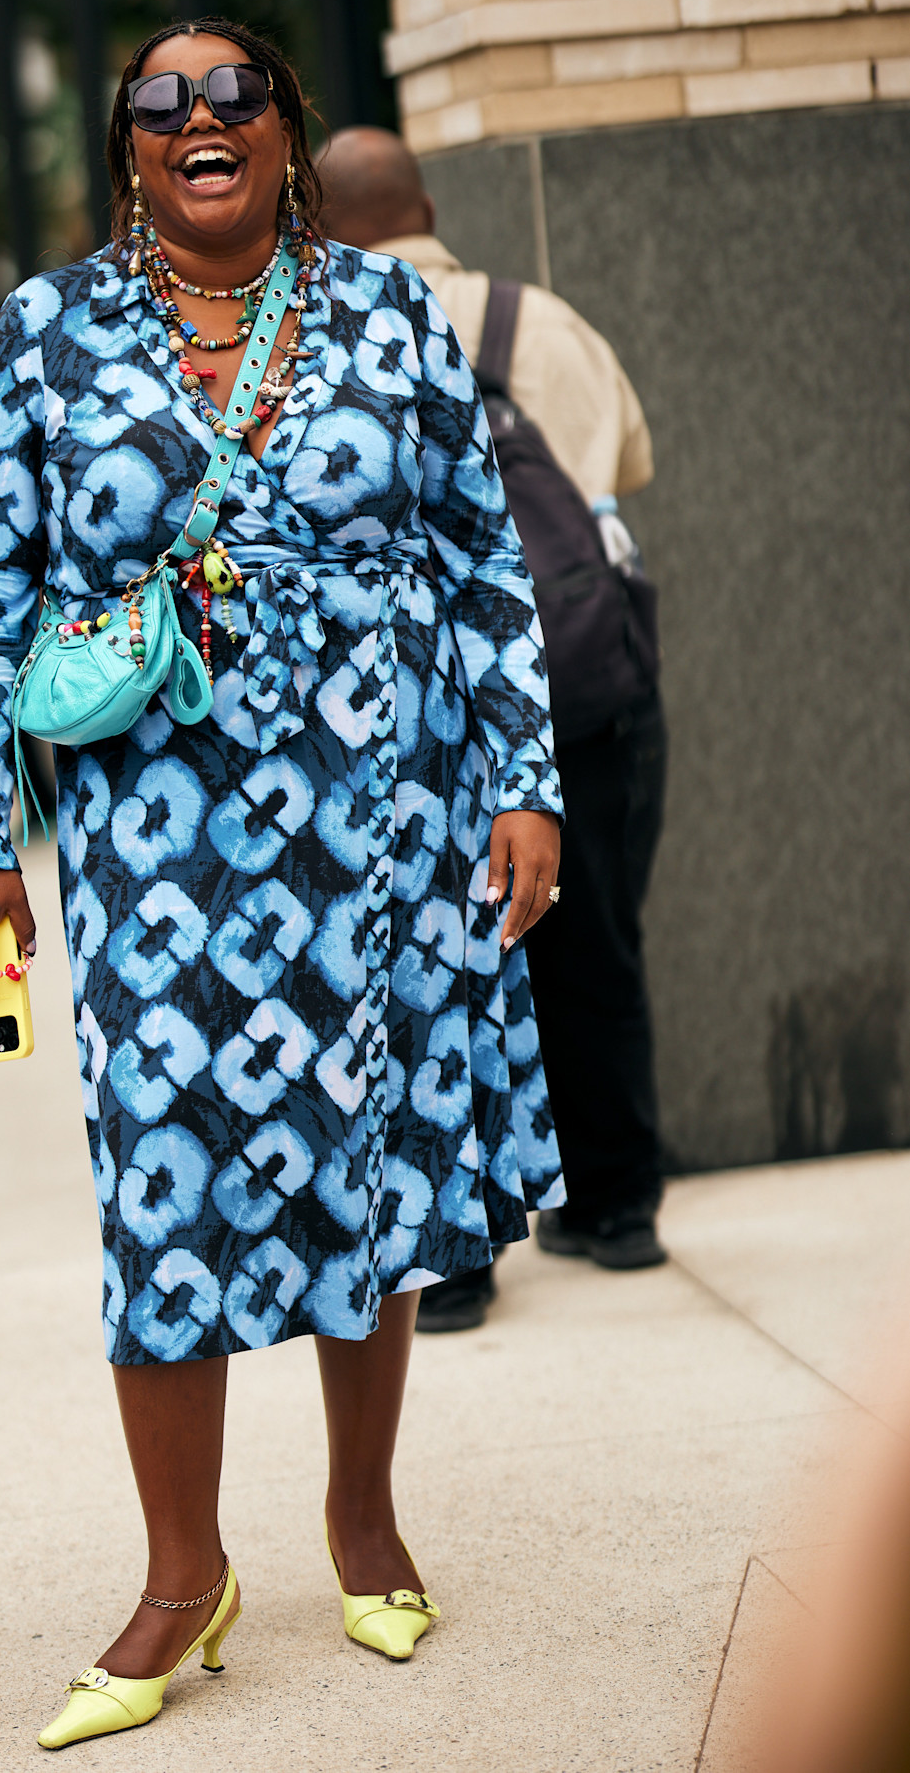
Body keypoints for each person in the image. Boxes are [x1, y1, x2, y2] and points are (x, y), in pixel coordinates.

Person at [0, 18, 564, 1749]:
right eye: (159, 105)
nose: (196, 121)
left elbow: (479, 553)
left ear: (284, 132)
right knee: (163, 1189)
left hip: (388, 815)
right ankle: (180, 1573)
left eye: (232, 97)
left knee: (363, 1166)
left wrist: (523, 781)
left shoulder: (384, 315)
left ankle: (362, 1522)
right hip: (156, 841)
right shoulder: (47, 339)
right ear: (131, 154)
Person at [317, 126, 667, 1336]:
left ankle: (457, 1264)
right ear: (424, 202)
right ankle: (618, 1207)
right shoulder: (538, 319)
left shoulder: (327, 341)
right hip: (586, 671)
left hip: (434, 704)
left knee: (442, 957)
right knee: (597, 930)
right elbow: (628, 459)